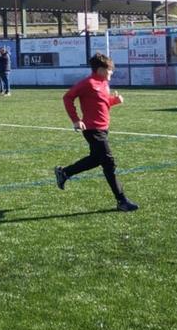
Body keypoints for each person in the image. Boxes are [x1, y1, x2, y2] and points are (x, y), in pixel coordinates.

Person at [54, 53, 138, 212]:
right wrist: (75, 119)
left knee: (95, 160)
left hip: (103, 129)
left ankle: (64, 172)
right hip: (92, 129)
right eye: (110, 70)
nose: (112, 73)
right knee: (109, 162)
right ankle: (122, 200)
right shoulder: (88, 83)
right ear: (100, 69)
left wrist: (115, 101)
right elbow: (68, 97)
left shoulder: (104, 84)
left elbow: (102, 104)